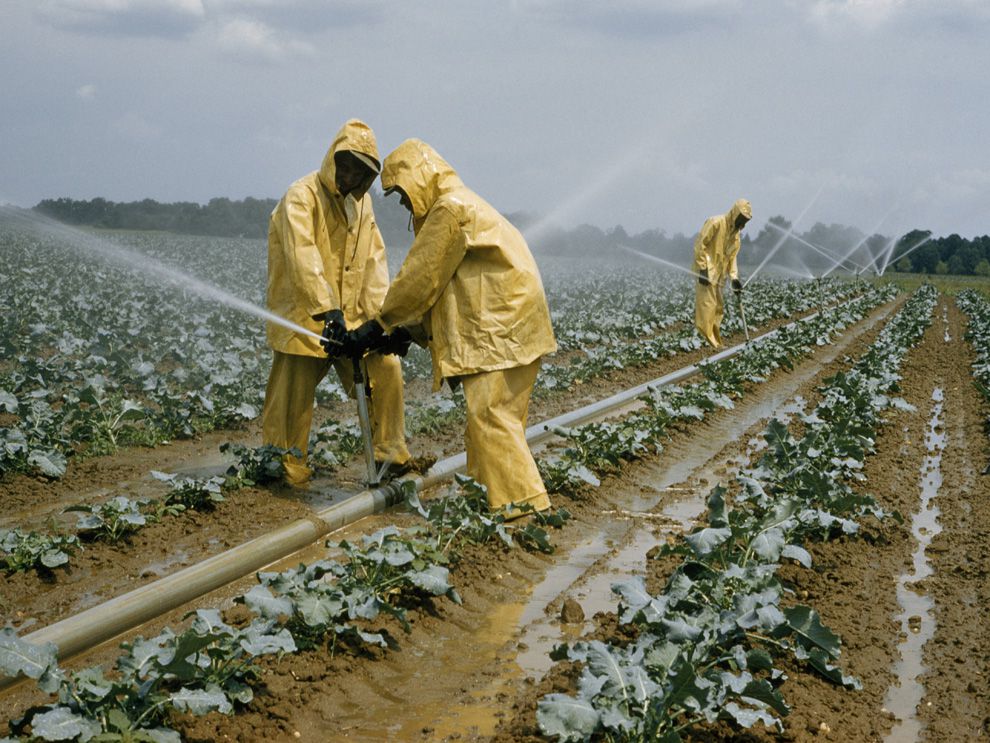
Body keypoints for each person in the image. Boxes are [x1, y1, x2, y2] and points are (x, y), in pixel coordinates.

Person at [346, 138, 557, 516]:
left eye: (402, 193)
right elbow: (449, 288)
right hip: (512, 330)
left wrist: (380, 323)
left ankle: (522, 511)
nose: (404, 204)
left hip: (499, 333)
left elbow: (421, 279)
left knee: (491, 419)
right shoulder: (464, 204)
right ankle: (487, 501)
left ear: (420, 176)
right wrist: (406, 332)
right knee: (491, 422)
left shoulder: (450, 209)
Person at [261, 119, 410, 485]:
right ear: (333, 160)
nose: (350, 178)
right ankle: (284, 466)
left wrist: (380, 322)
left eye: (361, 173)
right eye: (346, 167)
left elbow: (375, 262)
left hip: (353, 321)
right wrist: (327, 310)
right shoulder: (302, 196)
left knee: (386, 372)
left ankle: (390, 457)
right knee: (292, 401)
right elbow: (303, 258)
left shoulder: (363, 207)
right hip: (307, 320)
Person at [692, 198, 752, 348]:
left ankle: (715, 343)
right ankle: (707, 343)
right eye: (742, 219)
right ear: (735, 213)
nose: (743, 224)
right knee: (707, 307)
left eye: (746, 221)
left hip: (719, 277)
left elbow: (732, 259)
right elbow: (700, 244)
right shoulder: (716, 222)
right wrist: (702, 268)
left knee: (718, 308)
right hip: (706, 274)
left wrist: (734, 278)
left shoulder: (736, 236)